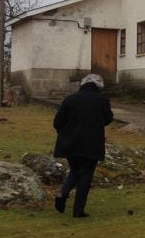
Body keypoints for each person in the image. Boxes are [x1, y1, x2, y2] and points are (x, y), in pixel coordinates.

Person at [53, 73, 113, 218]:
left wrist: (66, 133)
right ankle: (78, 210)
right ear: (99, 86)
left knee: (75, 170)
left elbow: (57, 122)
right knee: (85, 175)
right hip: (91, 144)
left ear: (82, 84)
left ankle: (63, 193)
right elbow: (108, 119)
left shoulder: (69, 100)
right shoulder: (102, 101)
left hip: (69, 143)